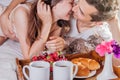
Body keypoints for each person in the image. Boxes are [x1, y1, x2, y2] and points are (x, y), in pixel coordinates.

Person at [0, 0, 73, 59]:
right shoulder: (23, 14)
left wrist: (64, 44)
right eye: (71, 3)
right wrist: (47, 23)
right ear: (55, 3)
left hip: (6, 34)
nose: (73, 9)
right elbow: (28, 57)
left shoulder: (58, 25)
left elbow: (41, 50)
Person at [46, 0, 120, 54]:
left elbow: (116, 62)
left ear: (98, 22)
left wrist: (115, 23)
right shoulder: (67, 13)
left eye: (81, 12)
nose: (73, 9)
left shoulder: (102, 34)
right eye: (78, 2)